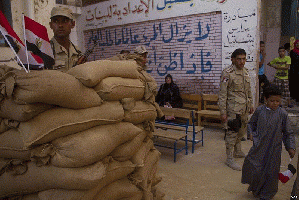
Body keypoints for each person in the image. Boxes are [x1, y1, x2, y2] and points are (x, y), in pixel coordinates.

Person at [241, 84, 296, 200]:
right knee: (255, 168)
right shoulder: (260, 111)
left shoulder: (282, 114)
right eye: (272, 101)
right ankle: (256, 189)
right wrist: (251, 133)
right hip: (259, 147)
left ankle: (267, 194)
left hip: (274, 149)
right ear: (265, 99)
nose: (275, 103)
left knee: (271, 172)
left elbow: (288, 133)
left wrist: (291, 147)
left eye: (278, 101)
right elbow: (251, 123)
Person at [218, 48, 254, 171]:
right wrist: (223, 112)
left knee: (241, 131)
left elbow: (248, 90)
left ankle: (237, 151)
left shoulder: (246, 72)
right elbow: (222, 94)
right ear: (233, 59)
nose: (242, 61)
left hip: (244, 108)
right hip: (233, 109)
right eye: (239, 59)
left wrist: (251, 104)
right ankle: (229, 158)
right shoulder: (227, 73)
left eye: (244, 59)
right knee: (232, 133)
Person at [49, 6, 82, 72]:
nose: (60, 25)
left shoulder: (77, 52)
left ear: (73, 24)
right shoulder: (46, 51)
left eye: (65, 21)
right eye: (56, 21)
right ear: (51, 25)